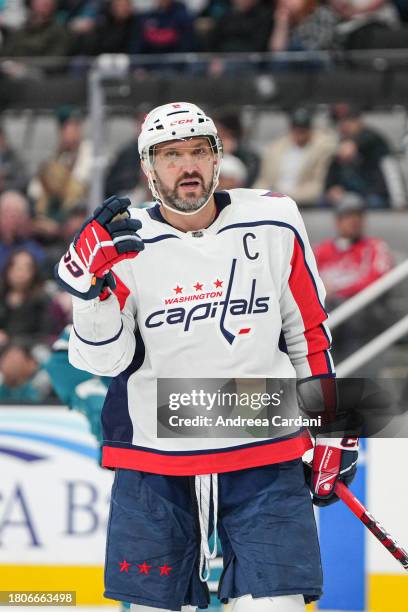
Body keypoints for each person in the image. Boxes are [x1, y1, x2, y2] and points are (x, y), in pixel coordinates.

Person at [56, 102, 358, 612]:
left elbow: (307, 330)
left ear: (219, 158)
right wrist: (92, 294)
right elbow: (103, 363)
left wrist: (330, 424)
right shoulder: (124, 244)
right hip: (155, 463)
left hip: (264, 452)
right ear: (148, 168)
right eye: (171, 155)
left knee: (276, 608)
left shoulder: (274, 218)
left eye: (199, 150)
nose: (187, 165)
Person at [314, 191, 394, 361]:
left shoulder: (374, 247)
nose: (355, 221)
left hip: (363, 312)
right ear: (338, 220)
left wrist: (337, 290)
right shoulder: (322, 250)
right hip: (327, 311)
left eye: (359, 216)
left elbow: (378, 279)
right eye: (348, 216)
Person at [254, 107, 337, 207]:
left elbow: (317, 187)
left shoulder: (321, 148)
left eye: (303, 130)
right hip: (273, 198)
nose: (299, 135)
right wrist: (257, 195)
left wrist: (287, 197)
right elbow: (264, 179)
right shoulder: (277, 148)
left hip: (301, 202)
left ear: (310, 129)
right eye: (296, 130)